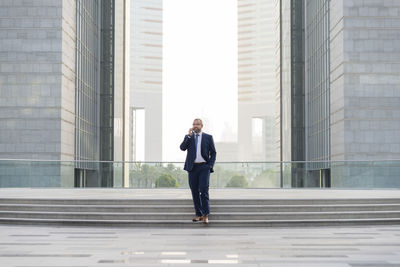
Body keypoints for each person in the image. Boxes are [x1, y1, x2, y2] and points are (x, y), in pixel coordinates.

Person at [180, 118, 216, 224]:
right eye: (194, 124)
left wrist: (210, 165)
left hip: (204, 167)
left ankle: (205, 215)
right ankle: (198, 214)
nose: (195, 126)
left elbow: (213, 152)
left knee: (203, 190)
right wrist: (188, 136)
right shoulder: (189, 137)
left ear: (202, 126)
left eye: (197, 124)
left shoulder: (208, 137)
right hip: (192, 168)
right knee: (194, 191)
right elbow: (182, 148)